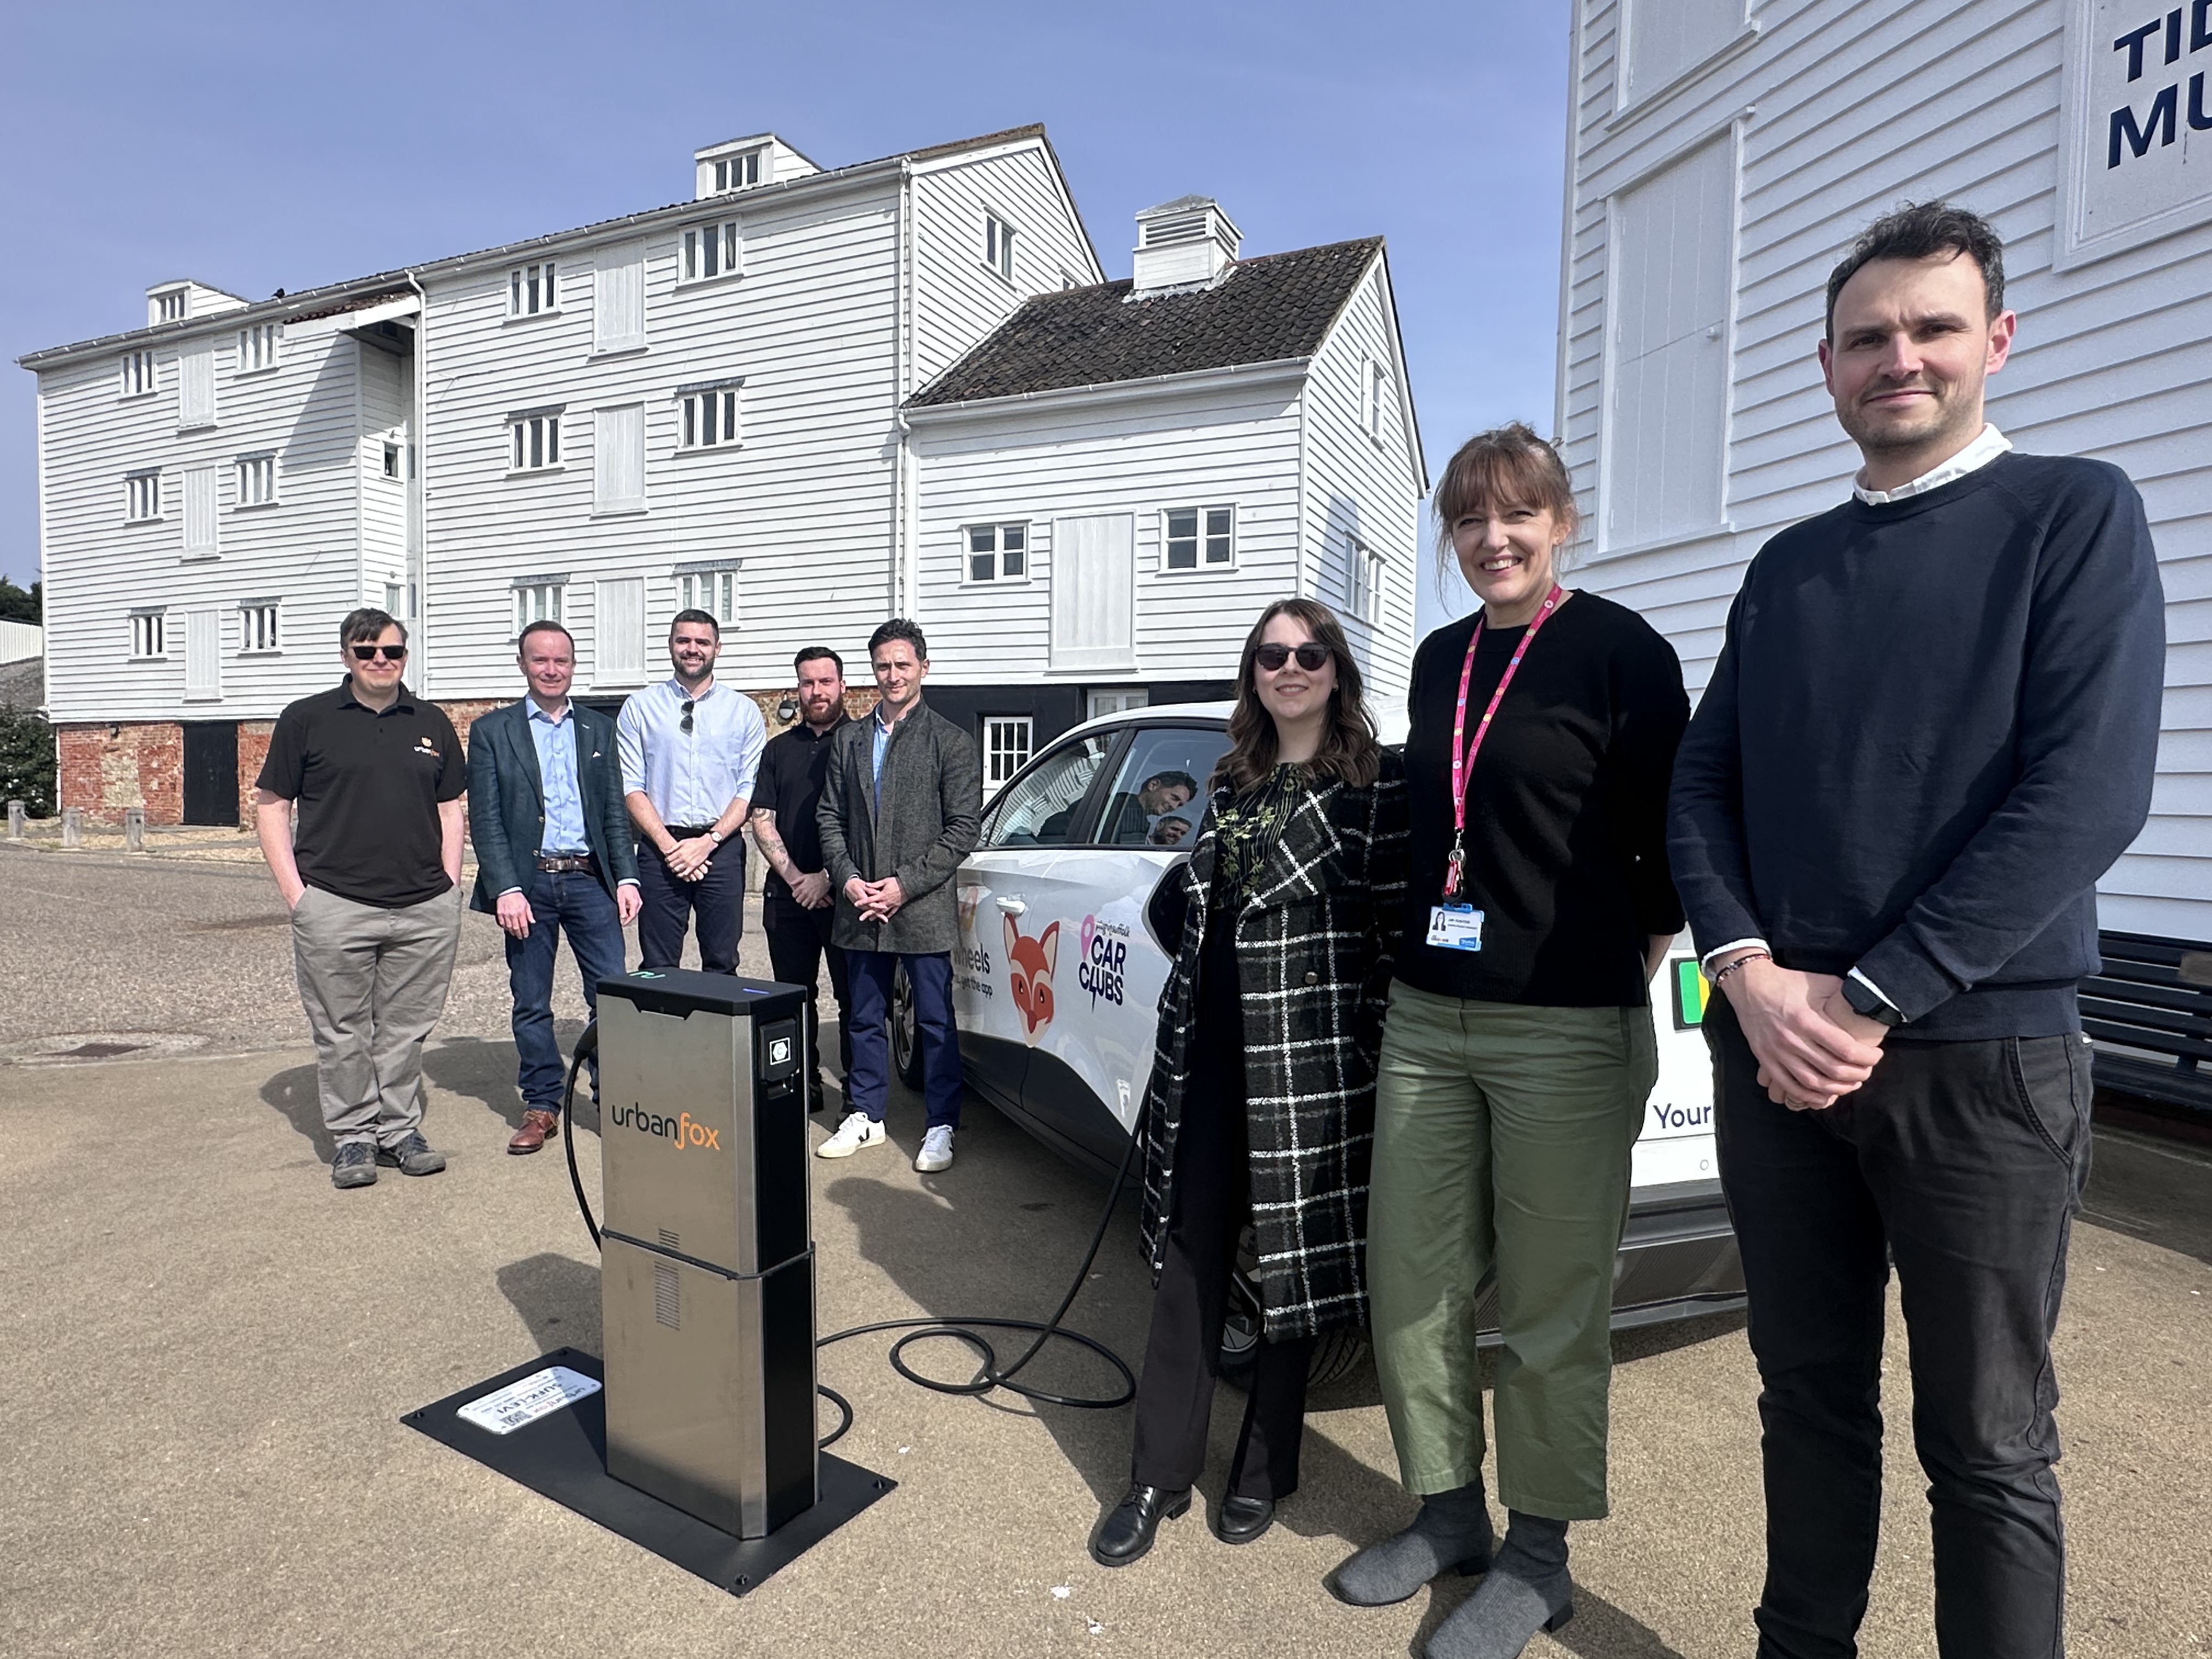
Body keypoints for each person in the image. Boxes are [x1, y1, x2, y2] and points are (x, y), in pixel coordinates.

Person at [1667, 203, 2163, 1659]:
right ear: (1827, 366)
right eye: (1869, 337)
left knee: (1989, 1444)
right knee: (1806, 1400)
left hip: (1983, 1062)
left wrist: (1871, 992)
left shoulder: (2073, 515)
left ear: (1994, 342)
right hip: (1777, 1066)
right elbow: (1705, 785)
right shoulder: (1790, 567)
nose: (1902, 357)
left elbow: (2086, 795)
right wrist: (1744, 971)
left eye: (1933, 328)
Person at [1331, 424, 1688, 1657]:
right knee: (1415, 1280)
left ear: (1561, 522)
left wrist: (1612, 971)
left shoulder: (1621, 652)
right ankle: (1446, 1517)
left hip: (1567, 1029)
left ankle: (1538, 1559)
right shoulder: (1438, 661)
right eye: (1471, 519)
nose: (1493, 538)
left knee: (1549, 1304)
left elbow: (1671, 846)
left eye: (1516, 514)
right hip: (1431, 1016)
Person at [1091, 599, 1406, 1568]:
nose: (1290, 666)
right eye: (1271, 654)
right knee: (1189, 1259)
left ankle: (1264, 1466)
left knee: (1287, 1270)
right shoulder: (1231, 782)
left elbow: (1393, 937)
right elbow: (1194, 903)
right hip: (1206, 1054)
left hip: (1308, 1065)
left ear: (1336, 669)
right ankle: (1155, 1474)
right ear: (1253, 672)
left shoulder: (1376, 786)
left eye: (1309, 652)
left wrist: (1371, 1065)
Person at [253, 607, 467, 1190]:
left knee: (406, 1027)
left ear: (405, 656)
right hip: (335, 904)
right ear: (346, 655)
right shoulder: (308, 720)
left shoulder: (430, 722)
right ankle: (353, 1137)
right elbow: (272, 805)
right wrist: (297, 895)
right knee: (342, 1028)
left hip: (424, 905)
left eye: (392, 652)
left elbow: (451, 807)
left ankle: (400, 1131)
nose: (381, 661)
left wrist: (449, 882)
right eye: (367, 651)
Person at [466, 619, 642, 1154]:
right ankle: (542, 1103)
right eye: (540, 660)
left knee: (611, 995)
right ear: (523, 664)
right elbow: (487, 818)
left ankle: (612, 1099)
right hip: (529, 886)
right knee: (531, 1001)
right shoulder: (492, 732)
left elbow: (614, 809)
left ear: (572, 666)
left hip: (591, 882)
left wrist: (627, 876)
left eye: (560, 660)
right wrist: (505, 888)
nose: (551, 669)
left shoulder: (597, 728)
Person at [813, 619, 982, 1172]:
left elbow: (962, 829)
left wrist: (903, 885)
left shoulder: (952, 743)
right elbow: (829, 817)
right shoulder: (851, 739)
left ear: (924, 668)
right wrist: (849, 879)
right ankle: (865, 1113)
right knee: (863, 1016)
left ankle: (940, 1124)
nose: (892, 675)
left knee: (933, 1019)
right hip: (859, 906)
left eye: (902, 664)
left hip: (922, 907)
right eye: (883, 665)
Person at [616, 609, 765, 974]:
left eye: (702, 642)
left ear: (718, 648)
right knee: (658, 963)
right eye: (684, 640)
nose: (692, 649)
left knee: (722, 959)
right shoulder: (640, 708)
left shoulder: (743, 711)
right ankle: (662, 1032)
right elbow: (631, 786)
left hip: (722, 847)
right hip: (660, 847)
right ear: (671, 645)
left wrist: (708, 842)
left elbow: (749, 788)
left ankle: (715, 1033)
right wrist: (671, 849)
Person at [750, 646, 856, 1111]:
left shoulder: (863, 741)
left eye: (826, 682)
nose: (817, 691)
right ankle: (801, 1081)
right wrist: (797, 878)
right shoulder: (778, 750)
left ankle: (859, 1088)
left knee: (856, 1001)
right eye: (808, 683)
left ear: (843, 686)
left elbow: (871, 825)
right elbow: (761, 818)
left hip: (848, 896)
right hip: (789, 895)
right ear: (798, 688)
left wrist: (828, 878)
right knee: (795, 998)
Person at [1104, 770, 1198, 844]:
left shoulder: (1120, 804)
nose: (1174, 807)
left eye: (1179, 805)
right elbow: (1129, 859)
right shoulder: (1126, 811)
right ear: (1153, 785)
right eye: (1174, 798)